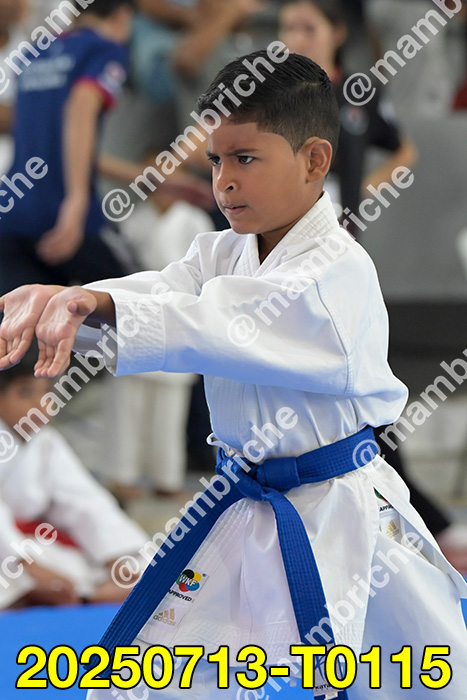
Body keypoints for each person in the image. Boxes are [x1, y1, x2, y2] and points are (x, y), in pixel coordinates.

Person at [0, 49, 466, 699]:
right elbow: (166, 291)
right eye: (216, 160)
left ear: (314, 161)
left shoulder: (336, 268)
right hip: (242, 506)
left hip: (340, 518)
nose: (223, 182)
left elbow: (217, 323)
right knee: (152, 676)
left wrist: (96, 305)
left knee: (416, 676)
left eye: (245, 159)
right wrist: (69, 300)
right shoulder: (221, 250)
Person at [279, 0, 467, 576]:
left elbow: (403, 148)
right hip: (286, 270)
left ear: (337, 34)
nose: (294, 37)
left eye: (307, 27)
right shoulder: (274, 100)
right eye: (286, 27)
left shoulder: (356, 95)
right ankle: (407, 513)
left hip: (340, 266)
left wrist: (365, 188)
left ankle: (412, 513)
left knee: (362, 390)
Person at [0, 0, 136, 296]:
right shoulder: (104, 49)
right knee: (135, 303)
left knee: (23, 318)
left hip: (12, 212)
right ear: (123, 15)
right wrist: (76, 201)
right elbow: (81, 106)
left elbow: (58, 144)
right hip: (65, 216)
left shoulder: (33, 54)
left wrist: (151, 177)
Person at [0, 348, 149, 609]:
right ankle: (58, 592)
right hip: (10, 551)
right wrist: (25, 563)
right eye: (25, 393)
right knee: (20, 575)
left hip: (33, 545)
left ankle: (81, 593)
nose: (41, 405)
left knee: (141, 564)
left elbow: (84, 500)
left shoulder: (45, 443)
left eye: (46, 392)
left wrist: (118, 560)